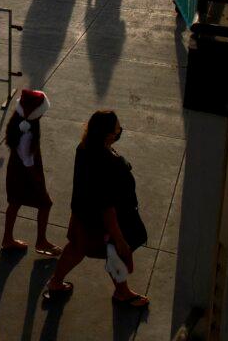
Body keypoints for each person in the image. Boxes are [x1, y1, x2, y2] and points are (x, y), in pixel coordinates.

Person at [44, 110, 150, 308]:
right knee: (115, 253)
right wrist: (118, 238)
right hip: (107, 220)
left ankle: (55, 282)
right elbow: (107, 206)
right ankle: (122, 293)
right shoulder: (107, 162)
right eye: (117, 127)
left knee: (76, 248)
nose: (120, 130)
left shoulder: (83, 148)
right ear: (108, 134)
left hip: (83, 214)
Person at [2, 90, 62, 256]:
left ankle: (7, 239)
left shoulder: (19, 121)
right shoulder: (28, 133)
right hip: (26, 173)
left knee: (14, 202)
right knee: (45, 203)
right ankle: (41, 241)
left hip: (15, 169)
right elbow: (27, 160)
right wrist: (38, 181)